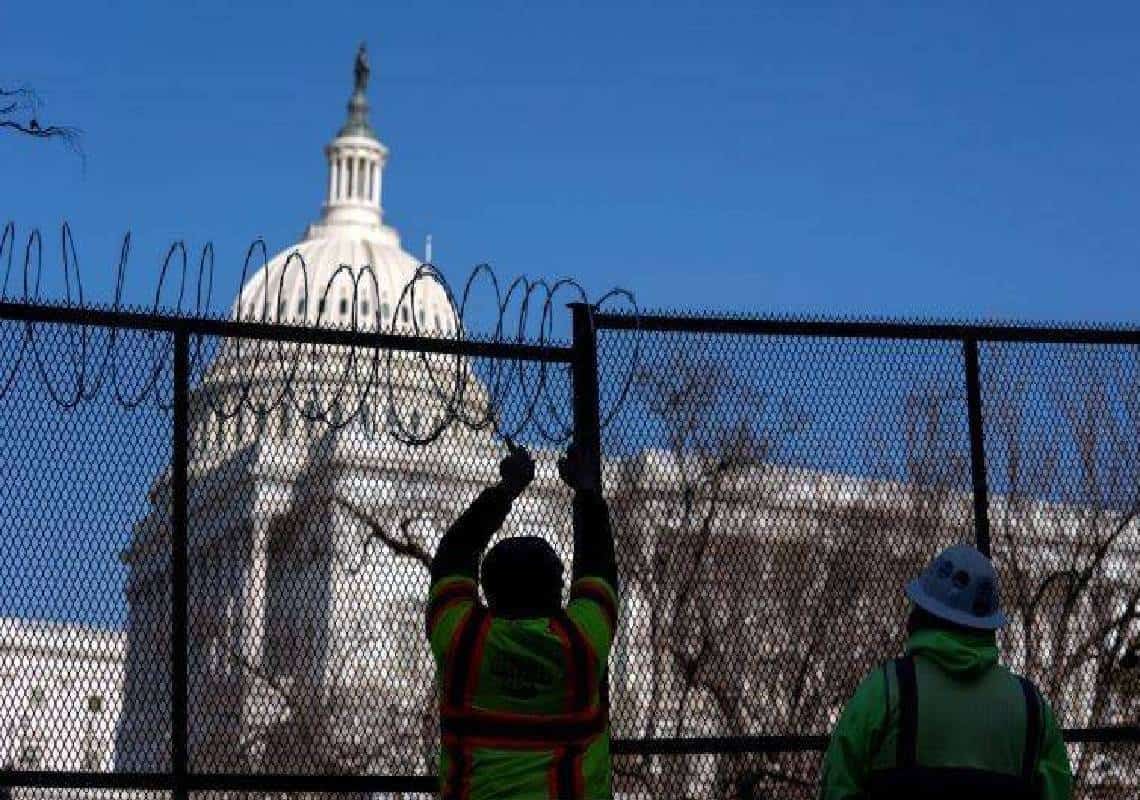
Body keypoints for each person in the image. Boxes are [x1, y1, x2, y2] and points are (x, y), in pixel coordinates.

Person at [426, 441, 619, 800]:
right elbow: (599, 567)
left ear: (487, 590)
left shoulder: (463, 642)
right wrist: (587, 492)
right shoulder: (581, 644)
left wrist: (506, 490)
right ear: (558, 588)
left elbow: (453, 555)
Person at [820, 544, 1073, 800]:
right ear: (989, 625)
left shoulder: (885, 690)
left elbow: (838, 784)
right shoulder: (1032, 707)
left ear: (922, 612)